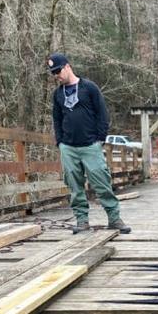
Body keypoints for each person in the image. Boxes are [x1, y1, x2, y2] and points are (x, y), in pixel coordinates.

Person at [47, 53, 131, 234]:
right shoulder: (58, 94)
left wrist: (100, 138)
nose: (56, 76)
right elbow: (57, 118)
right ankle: (82, 220)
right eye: (53, 73)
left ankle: (114, 218)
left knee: (101, 180)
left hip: (90, 144)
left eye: (58, 71)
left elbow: (102, 114)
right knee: (74, 185)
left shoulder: (89, 88)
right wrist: (60, 141)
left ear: (67, 67)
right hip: (68, 146)